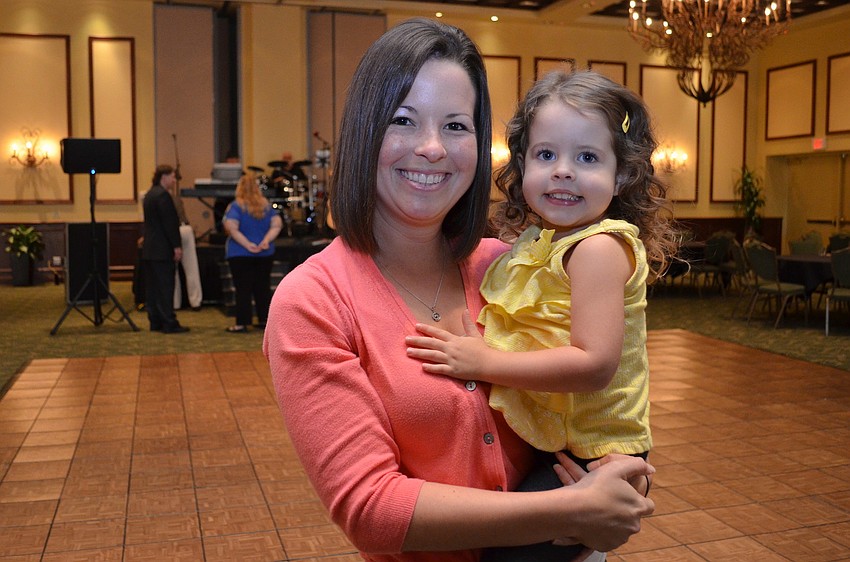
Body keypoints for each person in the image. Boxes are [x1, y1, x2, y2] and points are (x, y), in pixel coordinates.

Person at [263, 19, 654, 562]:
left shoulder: (508, 270)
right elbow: (373, 511)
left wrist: (621, 478)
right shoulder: (314, 301)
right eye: (403, 120)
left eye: (455, 125)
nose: (431, 148)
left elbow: (606, 379)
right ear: (363, 132)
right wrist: (574, 511)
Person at [405, 70, 681, 559]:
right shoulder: (537, 243)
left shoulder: (598, 247)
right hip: (556, 438)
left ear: (622, 175)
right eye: (546, 154)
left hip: (597, 451)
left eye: (588, 157)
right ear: (523, 165)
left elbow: (594, 364)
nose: (562, 171)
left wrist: (479, 361)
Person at [223, 172, 283, 332]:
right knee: (262, 287)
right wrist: (266, 241)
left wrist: (248, 244)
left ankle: (242, 322)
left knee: (243, 288)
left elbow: (231, 228)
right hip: (265, 254)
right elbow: (277, 225)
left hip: (240, 253)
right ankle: (264, 320)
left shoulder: (236, 206)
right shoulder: (266, 205)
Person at [141, 164, 189, 333]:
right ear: (164, 177)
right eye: (172, 177)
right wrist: (176, 246)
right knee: (165, 287)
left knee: (152, 289)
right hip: (162, 250)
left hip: (149, 249)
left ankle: (155, 321)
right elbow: (170, 224)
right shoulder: (163, 196)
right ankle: (169, 322)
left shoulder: (149, 194)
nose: (174, 180)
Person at [168, 179, 203, 311]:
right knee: (191, 268)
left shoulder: (159, 198)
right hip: (185, 229)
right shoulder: (176, 198)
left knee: (174, 270)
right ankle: (196, 301)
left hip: (173, 232)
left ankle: (175, 303)